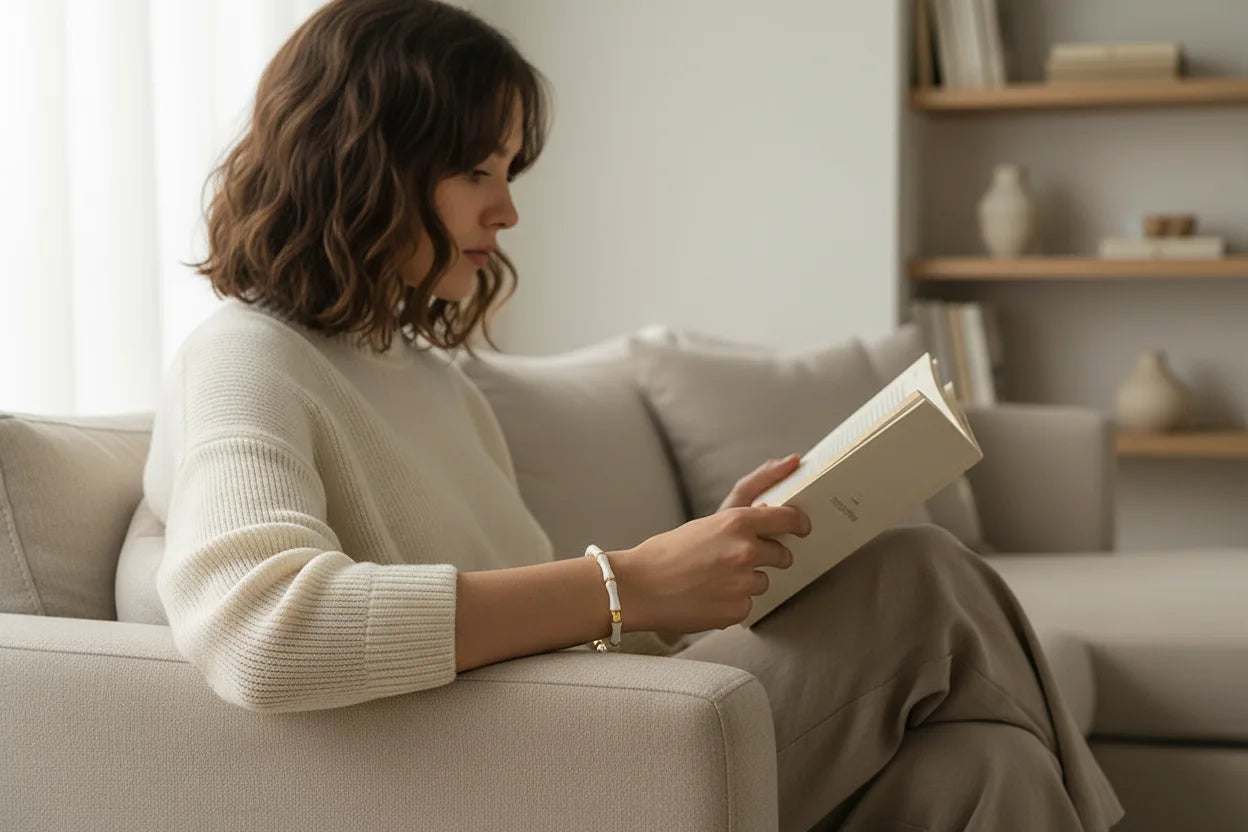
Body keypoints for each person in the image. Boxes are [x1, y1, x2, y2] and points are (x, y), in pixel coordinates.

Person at [143, 1, 1124, 829]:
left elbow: (551, 635)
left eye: (507, 174)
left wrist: (688, 563)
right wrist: (630, 581)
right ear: (364, 164)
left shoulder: (432, 382)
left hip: (564, 726)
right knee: (920, 574)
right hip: (498, 783)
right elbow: (260, 626)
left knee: (991, 769)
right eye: (477, 173)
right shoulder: (244, 355)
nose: (506, 213)